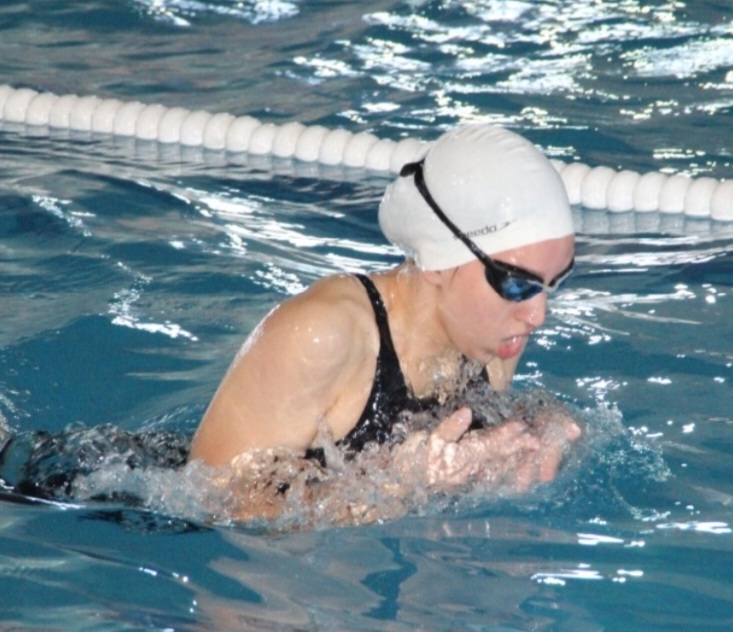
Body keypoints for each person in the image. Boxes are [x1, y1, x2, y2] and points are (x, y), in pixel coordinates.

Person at [188, 124, 582, 523]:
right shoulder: (324, 334)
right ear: (438, 262)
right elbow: (209, 502)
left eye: (553, 284)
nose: (537, 315)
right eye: (516, 284)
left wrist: (538, 428)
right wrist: (395, 487)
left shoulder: (494, 340)